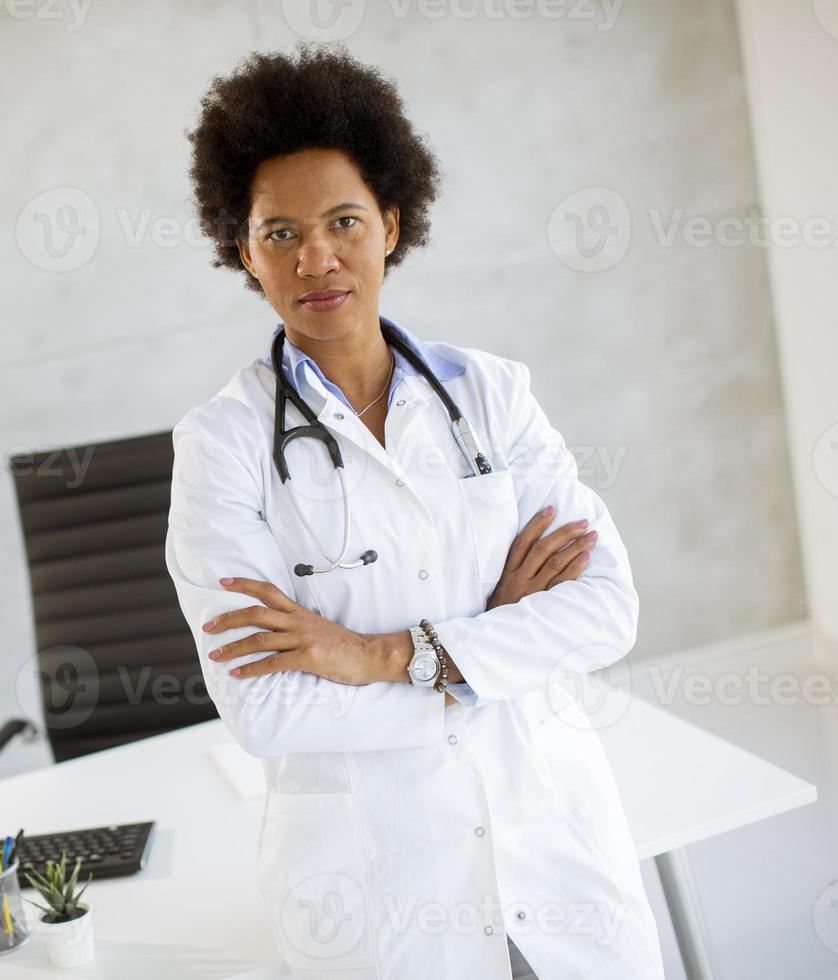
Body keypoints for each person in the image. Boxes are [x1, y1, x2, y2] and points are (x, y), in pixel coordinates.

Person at [165, 45, 664, 979]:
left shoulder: (492, 395)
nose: (316, 257)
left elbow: (604, 610)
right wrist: (494, 649)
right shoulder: (223, 448)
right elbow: (266, 705)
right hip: (379, 896)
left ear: (392, 224)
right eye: (279, 233)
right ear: (243, 250)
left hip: (553, 851)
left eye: (344, 220)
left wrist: (375, 656)